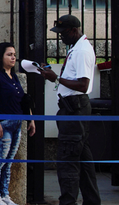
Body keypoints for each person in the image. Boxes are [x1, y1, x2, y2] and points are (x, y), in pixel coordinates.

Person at [40, 14, 101, 205]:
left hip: (75, 109)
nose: (61, 37)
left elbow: (83, 85)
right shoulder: (76, 47)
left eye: (63, 33)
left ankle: (68, 202)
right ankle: (92, 200)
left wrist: (55, 78)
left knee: (68, 160)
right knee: (83, 160)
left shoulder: (82, 51)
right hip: (73, 109)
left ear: (74, 31)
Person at [0, 43, 36, 205]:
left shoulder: (14, 77)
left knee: (8, 163)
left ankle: (4, 194)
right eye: (9, 54)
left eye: (14, 54)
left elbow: (23, 100)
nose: (13, 57)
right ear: (1, 56)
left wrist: (31, 119)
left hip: (16, 124)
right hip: (2, 125)